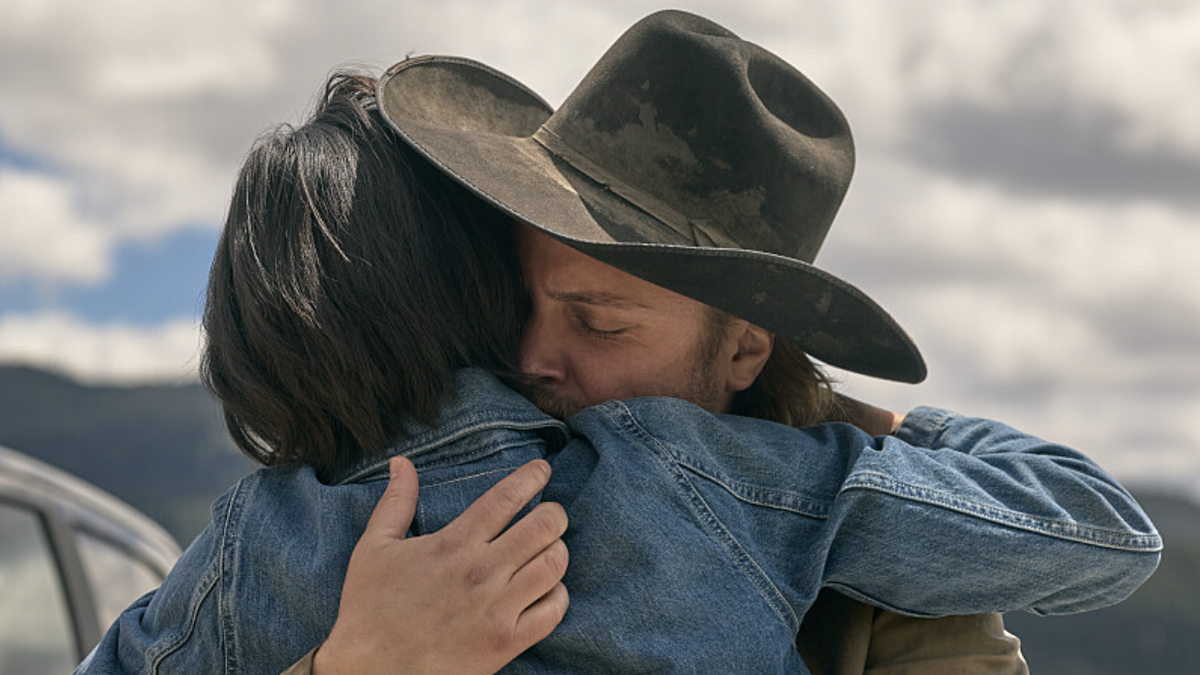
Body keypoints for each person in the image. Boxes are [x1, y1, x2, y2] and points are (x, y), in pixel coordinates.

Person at [76, 12, 1159, 675]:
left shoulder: (265, 532)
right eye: (524, 303)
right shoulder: (751, 487)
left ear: (744, 352)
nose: (538, 359)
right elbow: (1098, 528)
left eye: (600, 322)